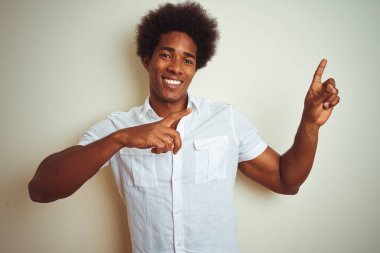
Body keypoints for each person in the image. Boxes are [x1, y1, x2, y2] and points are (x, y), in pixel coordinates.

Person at [28, 2, 340, 253]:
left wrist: (310, 124)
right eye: (166, 55)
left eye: (187, 59)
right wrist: (121, 139)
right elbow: (41, 189)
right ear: (147, 60)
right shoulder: (118, 127)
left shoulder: (226, 120)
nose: (176, 67)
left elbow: (287, 181)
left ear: (195, 67)